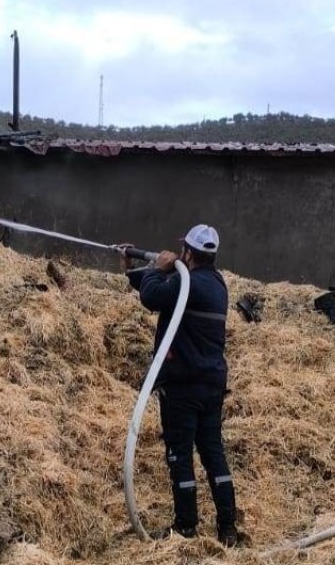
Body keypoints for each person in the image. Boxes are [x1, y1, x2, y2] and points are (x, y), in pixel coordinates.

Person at [120, 224, 241, 547]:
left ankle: (186, 527)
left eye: (182, 251)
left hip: (184, 386)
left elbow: (154, 295)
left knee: (180, 454)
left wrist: (157, 268)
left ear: (188, 252)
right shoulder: (215, 284)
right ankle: (227, 527)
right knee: (213, 452)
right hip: (211, 384)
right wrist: (133, 267)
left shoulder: (191, 285)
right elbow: (162, 289)